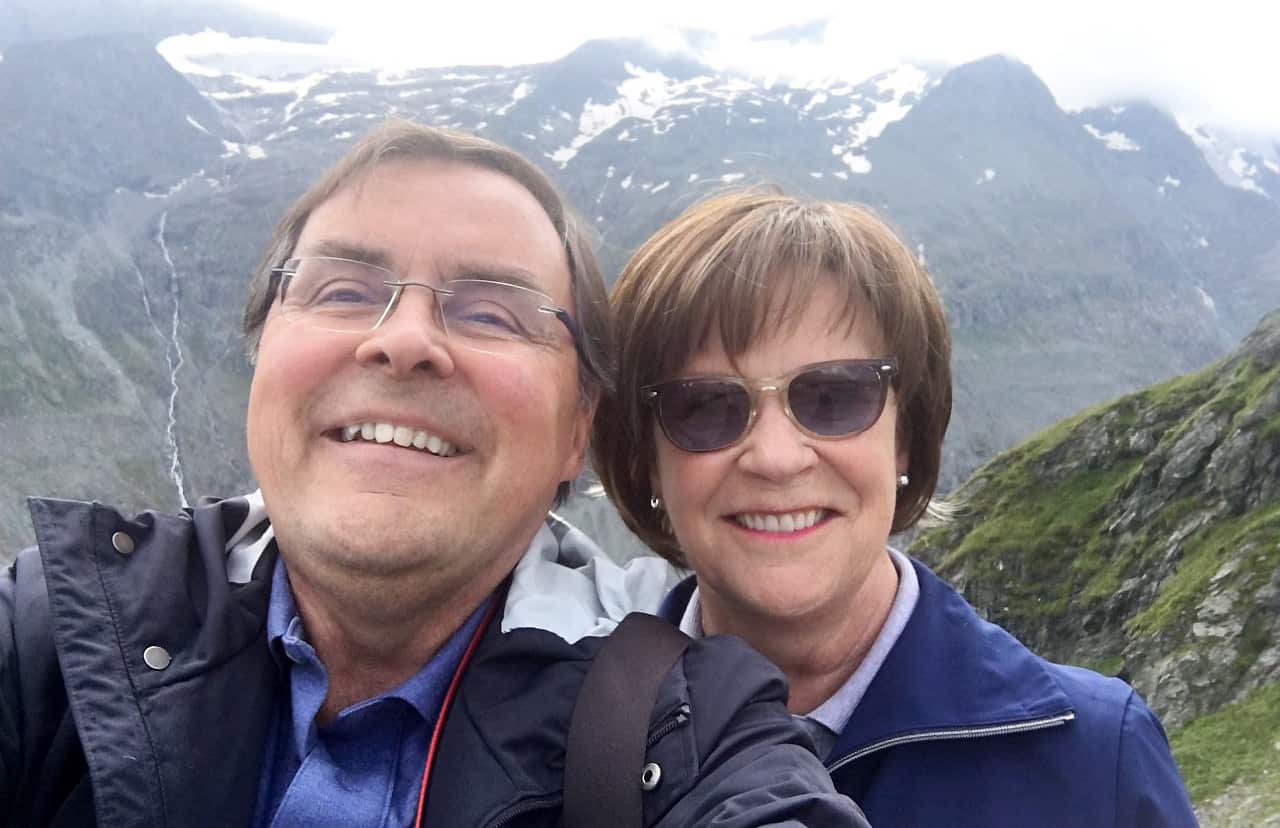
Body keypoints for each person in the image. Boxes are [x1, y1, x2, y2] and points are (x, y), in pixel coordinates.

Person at [0, 125, 869, 827]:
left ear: (577, 431)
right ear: (261, 354)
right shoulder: (51, 631)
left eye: (491, 312)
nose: (404, 339)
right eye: (343, 291)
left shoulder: (687, 725)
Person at [592, 188, 1200, 826]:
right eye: (706, 407)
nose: (775, 457)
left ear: (905, 436)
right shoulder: (563, 737)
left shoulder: (1097, 762)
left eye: (833, 397)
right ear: (646, 457)